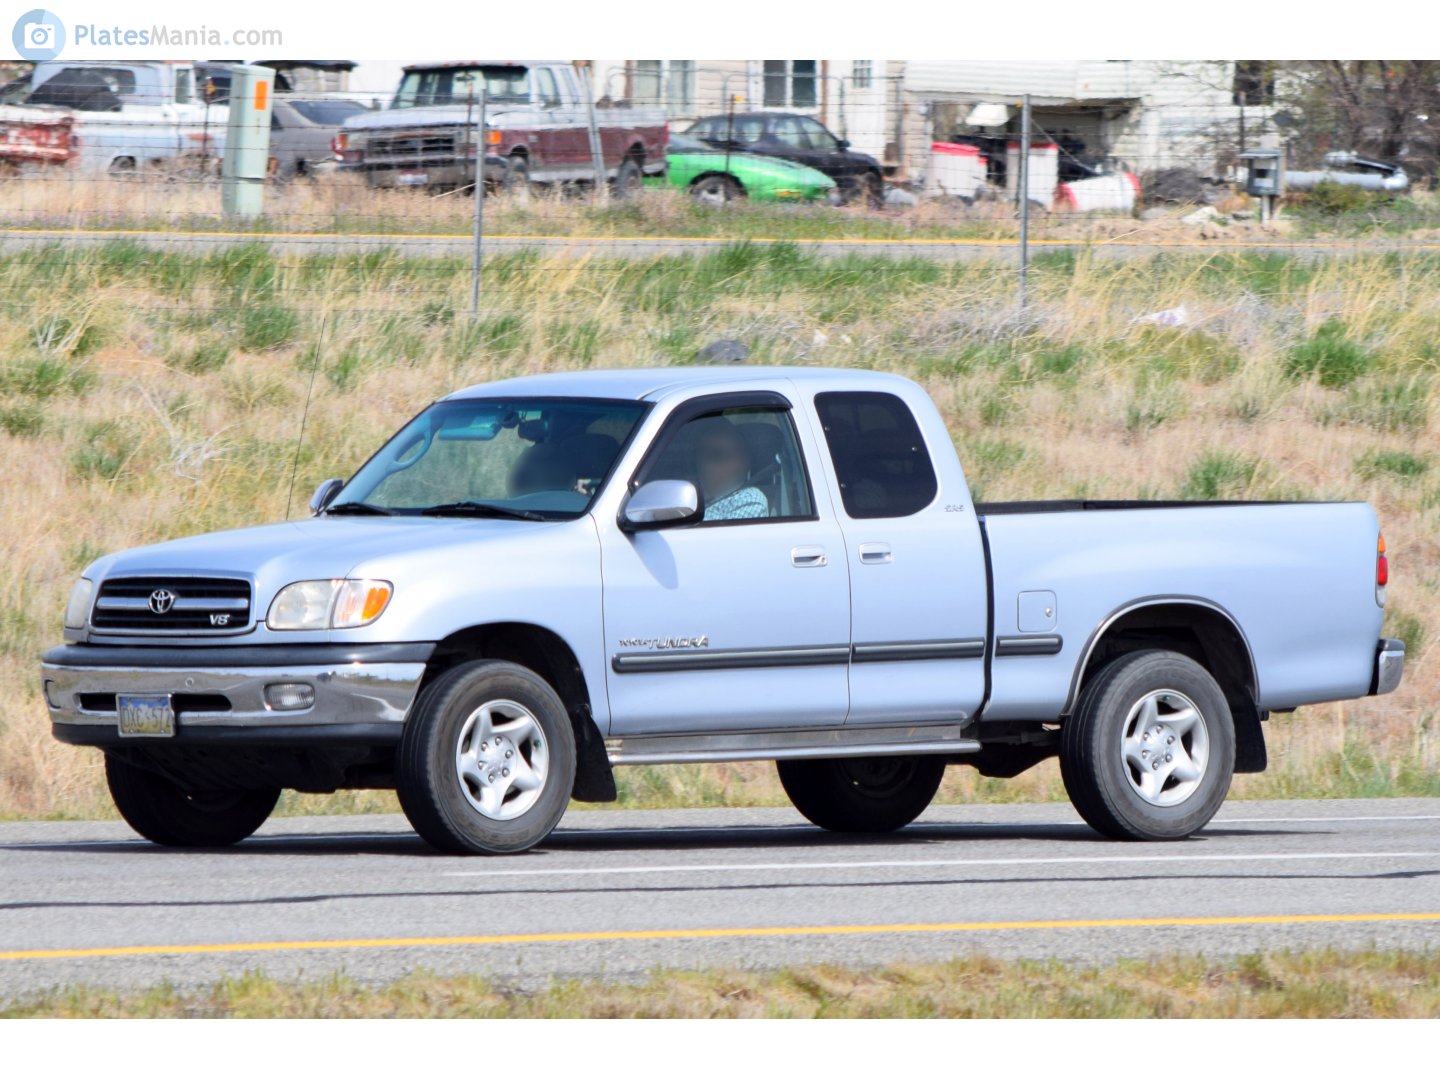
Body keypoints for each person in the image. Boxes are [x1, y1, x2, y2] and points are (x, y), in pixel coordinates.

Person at [694, 419, 768, 521]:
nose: (729, 464)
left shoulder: (747, 500)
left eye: (717, 455)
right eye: (716, 455)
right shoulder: (685, 496)